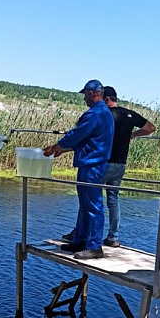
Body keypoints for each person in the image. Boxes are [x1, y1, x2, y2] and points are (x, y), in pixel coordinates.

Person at [44, 79, 114, 260]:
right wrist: (63, 149)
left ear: (91, 93)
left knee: (93, 205)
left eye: (84, 95)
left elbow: (76, 134)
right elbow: (87, 140)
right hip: (90, 162)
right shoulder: (105, 113)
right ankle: (80, 240)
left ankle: (94, 246)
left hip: (92, 164)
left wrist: (57, 146)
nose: (84, 99)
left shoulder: (94, 114)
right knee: (85, 205)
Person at [102, 86, 156, 247]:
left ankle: (82, 233)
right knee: (113, 200)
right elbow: (150, 128)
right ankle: (113, 237)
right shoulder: (129, 114)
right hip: (121, 164)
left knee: (89, 196)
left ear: (106, 99)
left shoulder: (106, 115)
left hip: (104, 163)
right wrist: (133, 134)